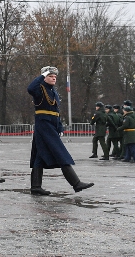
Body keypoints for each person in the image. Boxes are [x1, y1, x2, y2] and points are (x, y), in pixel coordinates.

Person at [27, 67, 93, 195]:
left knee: (39, 156)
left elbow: (56, 111)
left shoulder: (53, 91)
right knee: (60, 153)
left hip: (51, 125)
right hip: (44, 125)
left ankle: (35, 187)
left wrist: (59, 126)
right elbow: (30, 88)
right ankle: (76, 183)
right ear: (44, 77)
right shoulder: (39, 89)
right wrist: (42, 75)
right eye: (50, 76)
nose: (54, 78)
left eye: (55, 77)